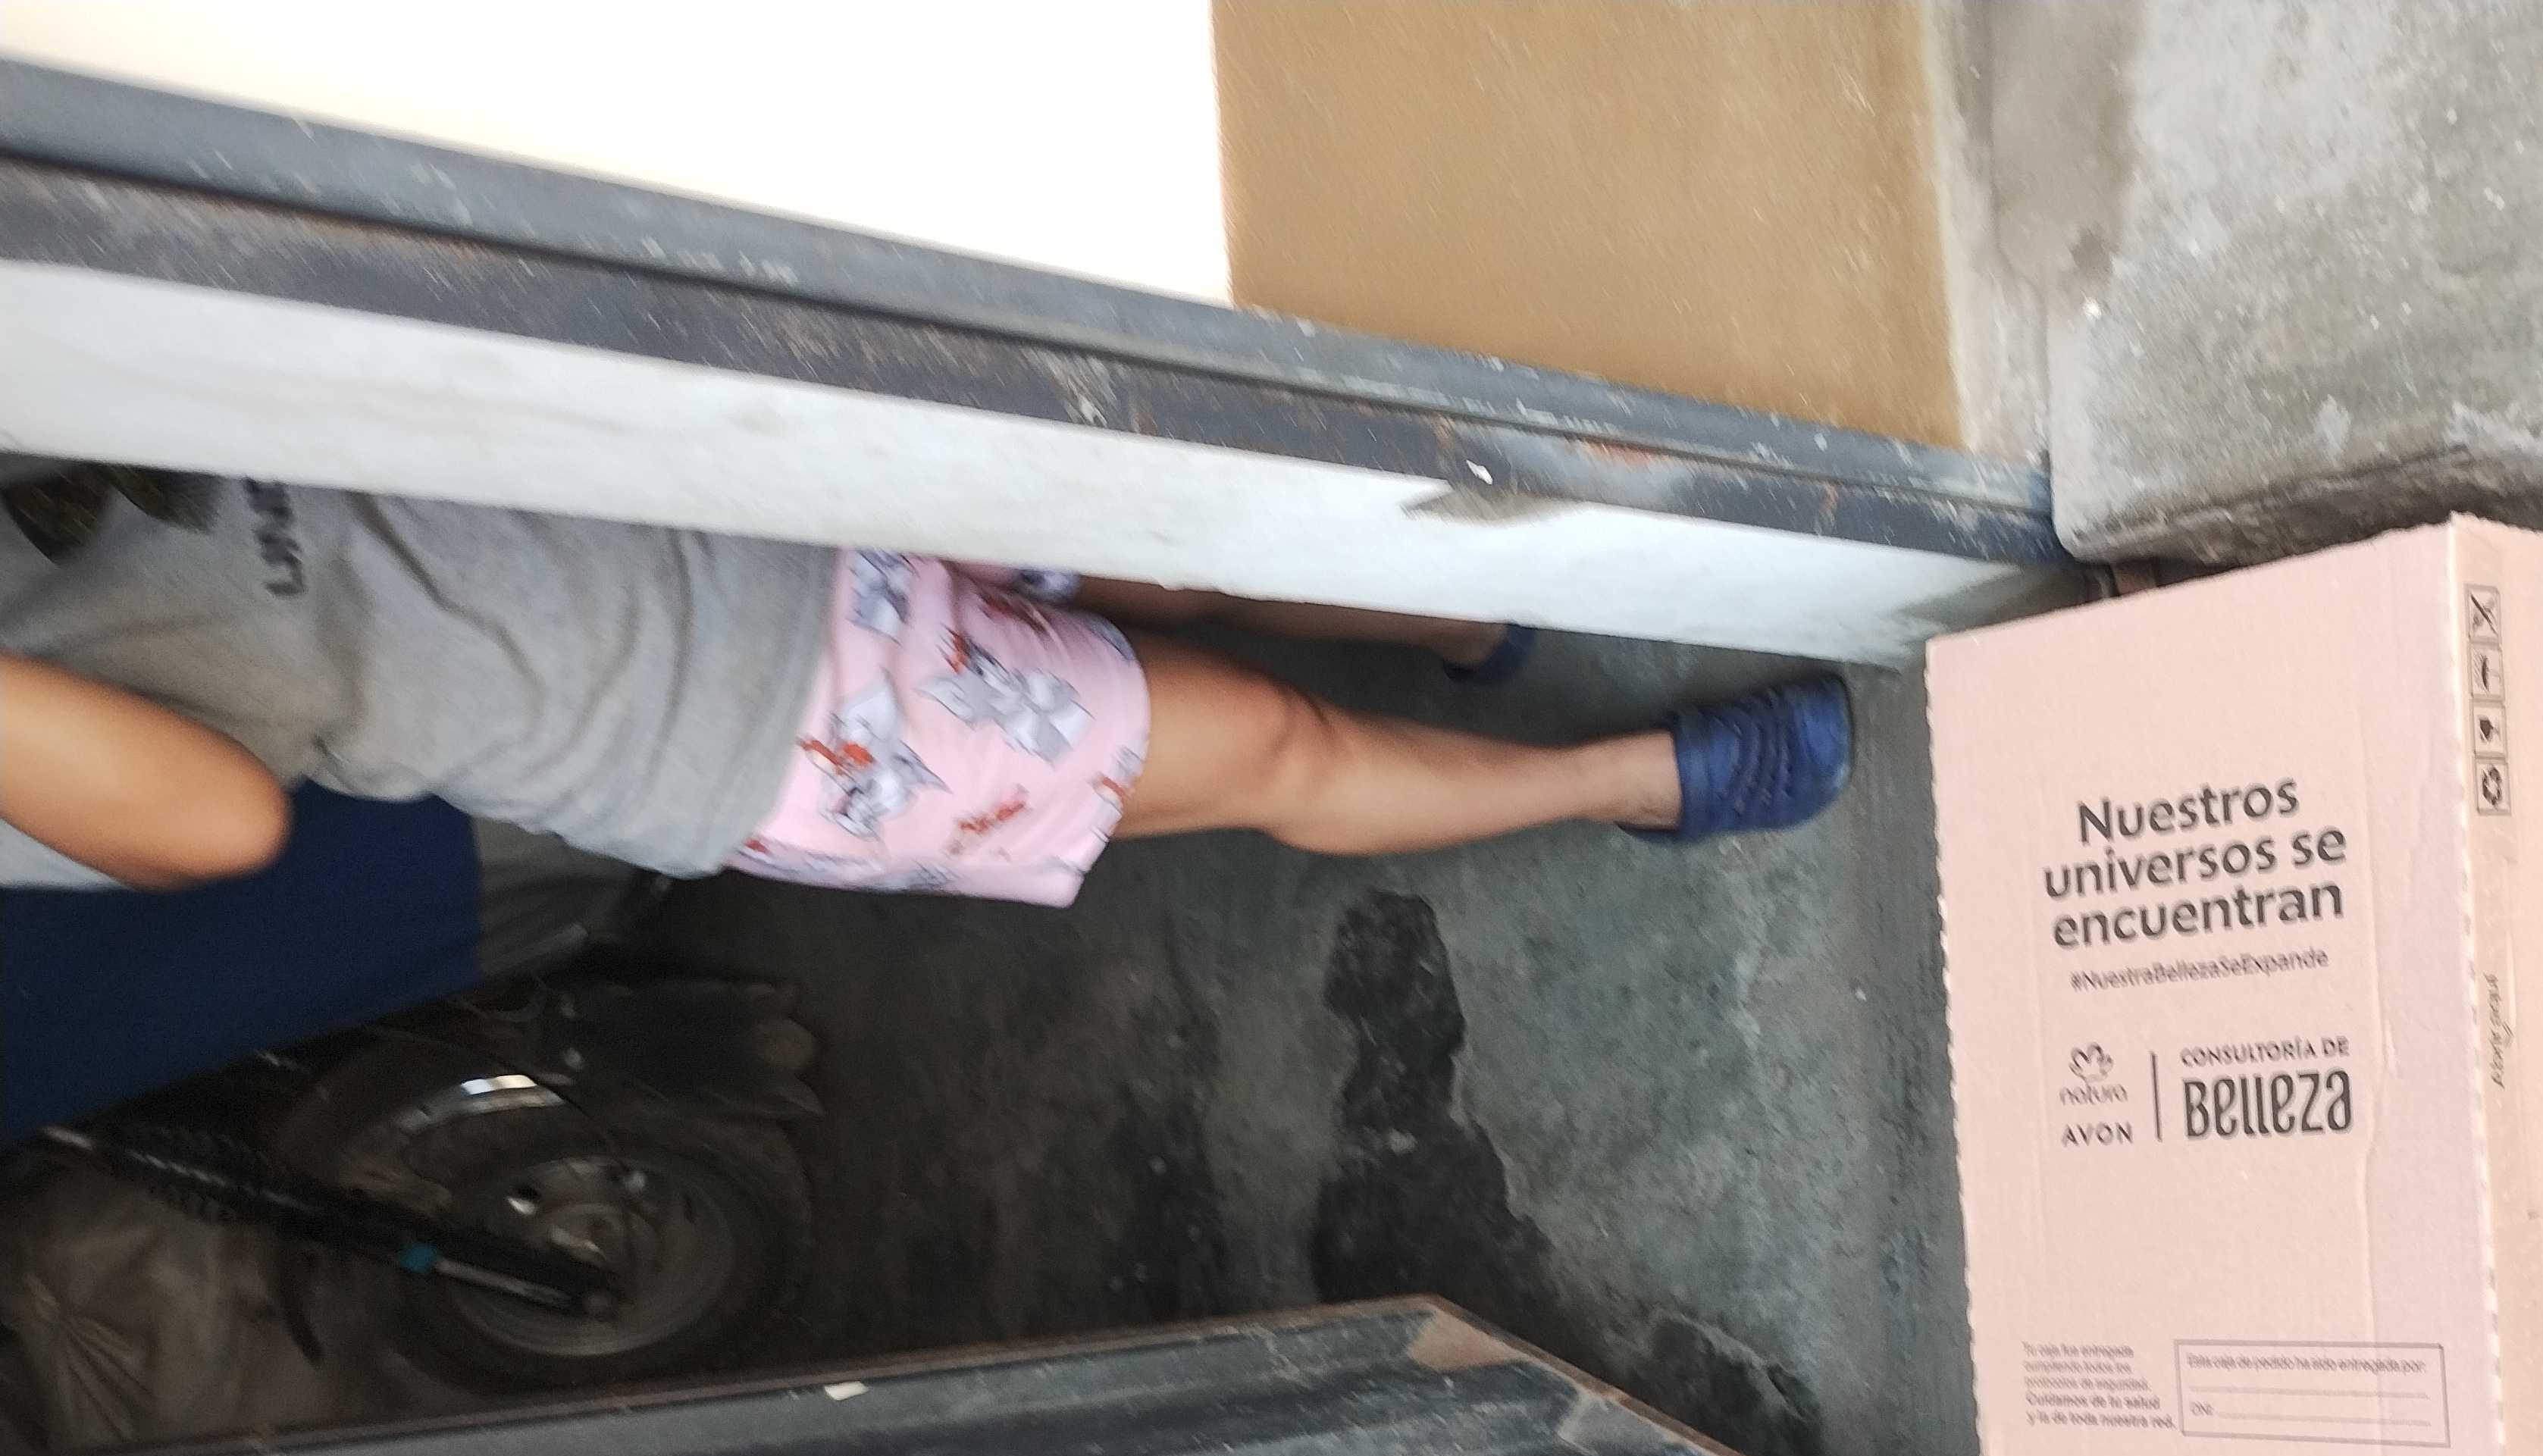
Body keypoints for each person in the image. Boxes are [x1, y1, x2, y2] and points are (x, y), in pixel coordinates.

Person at [0, 474, 1852, 904]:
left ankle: (1442, 627)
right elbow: (216, 822)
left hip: (688, 454)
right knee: (1267, 741)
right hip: (732, 711)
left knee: (1177, 538)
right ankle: (1633, 781)